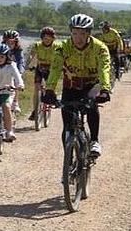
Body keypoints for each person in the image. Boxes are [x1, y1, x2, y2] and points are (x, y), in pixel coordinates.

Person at [44, 14, 111, 157]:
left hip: (91, 85)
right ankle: (68, 159)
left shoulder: (100, 48)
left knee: (92, 107)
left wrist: (105, 89)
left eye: (82, 33)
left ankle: (94, 141)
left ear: (89, 33)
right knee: (67, 125)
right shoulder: (62, 48)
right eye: (74, 33)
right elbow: (55, 69)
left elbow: (104, 68)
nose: (78, 38)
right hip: (71, 87)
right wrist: (50, 89)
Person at [27, 26, 59, 121]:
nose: (47, 41)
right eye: (45, 39)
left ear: (53, 39)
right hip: (40, 68)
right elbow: (31, 55)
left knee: (50, 86)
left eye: (50, 39)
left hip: (52, 69)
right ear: (42, 38)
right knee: (36, 88)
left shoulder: (56, 46)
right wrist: (27, 65)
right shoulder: (37, 45)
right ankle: (35, 110)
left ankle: (54, 98)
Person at [1, 29, 25, 114]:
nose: (10, 45)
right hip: (3, 71)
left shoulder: (18, 51)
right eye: (8, 42)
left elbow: (21, 62)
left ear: (16, 43)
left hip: (14, 71)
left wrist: (20, 72)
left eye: (12, 43)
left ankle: (15, 102)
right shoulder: (1, 50)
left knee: (16, 83)